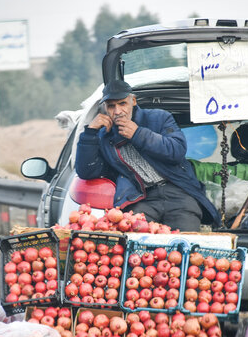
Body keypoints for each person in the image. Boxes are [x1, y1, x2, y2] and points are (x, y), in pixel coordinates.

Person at [75, 80, 220, 231]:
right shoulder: (104, 136)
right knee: (140, 247)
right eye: (111, 106)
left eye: (122, 103)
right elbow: (86, 171)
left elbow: (177, 151)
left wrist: (138, 134)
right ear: (105, 108)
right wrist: (90, 133)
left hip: (178, 192)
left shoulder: (159, 117)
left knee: (184, 245)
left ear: (134, 101)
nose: (117, 111)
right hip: (141, 198)